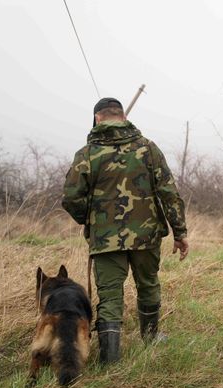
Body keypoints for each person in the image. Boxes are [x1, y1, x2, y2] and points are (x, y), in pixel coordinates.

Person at [62, 97, 189, 363]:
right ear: (122, 116)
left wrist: (92, 219)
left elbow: (71, 198)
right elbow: (169, 192)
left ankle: (110, 358)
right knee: (148, 285)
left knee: (109, 295)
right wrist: (180, 232)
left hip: (106, 240)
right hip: (147, 235)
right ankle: (151, 337)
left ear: (97, 118)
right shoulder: (148, 148)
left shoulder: (87, 154)